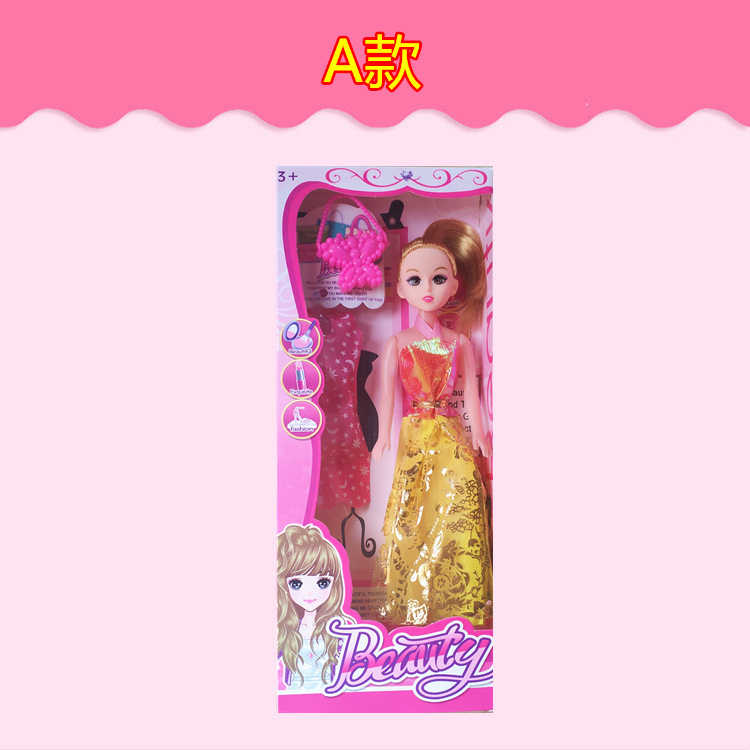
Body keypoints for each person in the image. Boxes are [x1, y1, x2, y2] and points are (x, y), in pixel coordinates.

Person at [372, 219, 493, 628]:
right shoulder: (398, 343)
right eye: (415, 280)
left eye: (438, 279)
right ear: (401, 289)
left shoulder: (460, 343)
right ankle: (414, 605)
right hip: (415, 435)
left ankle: (461, 601)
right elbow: (388, 397)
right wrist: (381, 438)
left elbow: (472, 394)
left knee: (460, 507)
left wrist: (480, 435)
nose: (428, 288)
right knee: (414, 513)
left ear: (453, 286)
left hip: (451, 434)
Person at [277, 524, 346, 689]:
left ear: (334, 584)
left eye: (322, 583)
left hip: (330, 694)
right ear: (283, 585)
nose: (309, 593)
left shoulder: (337, 627)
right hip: (294, 695)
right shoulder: (285, 628)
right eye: (296, 583)